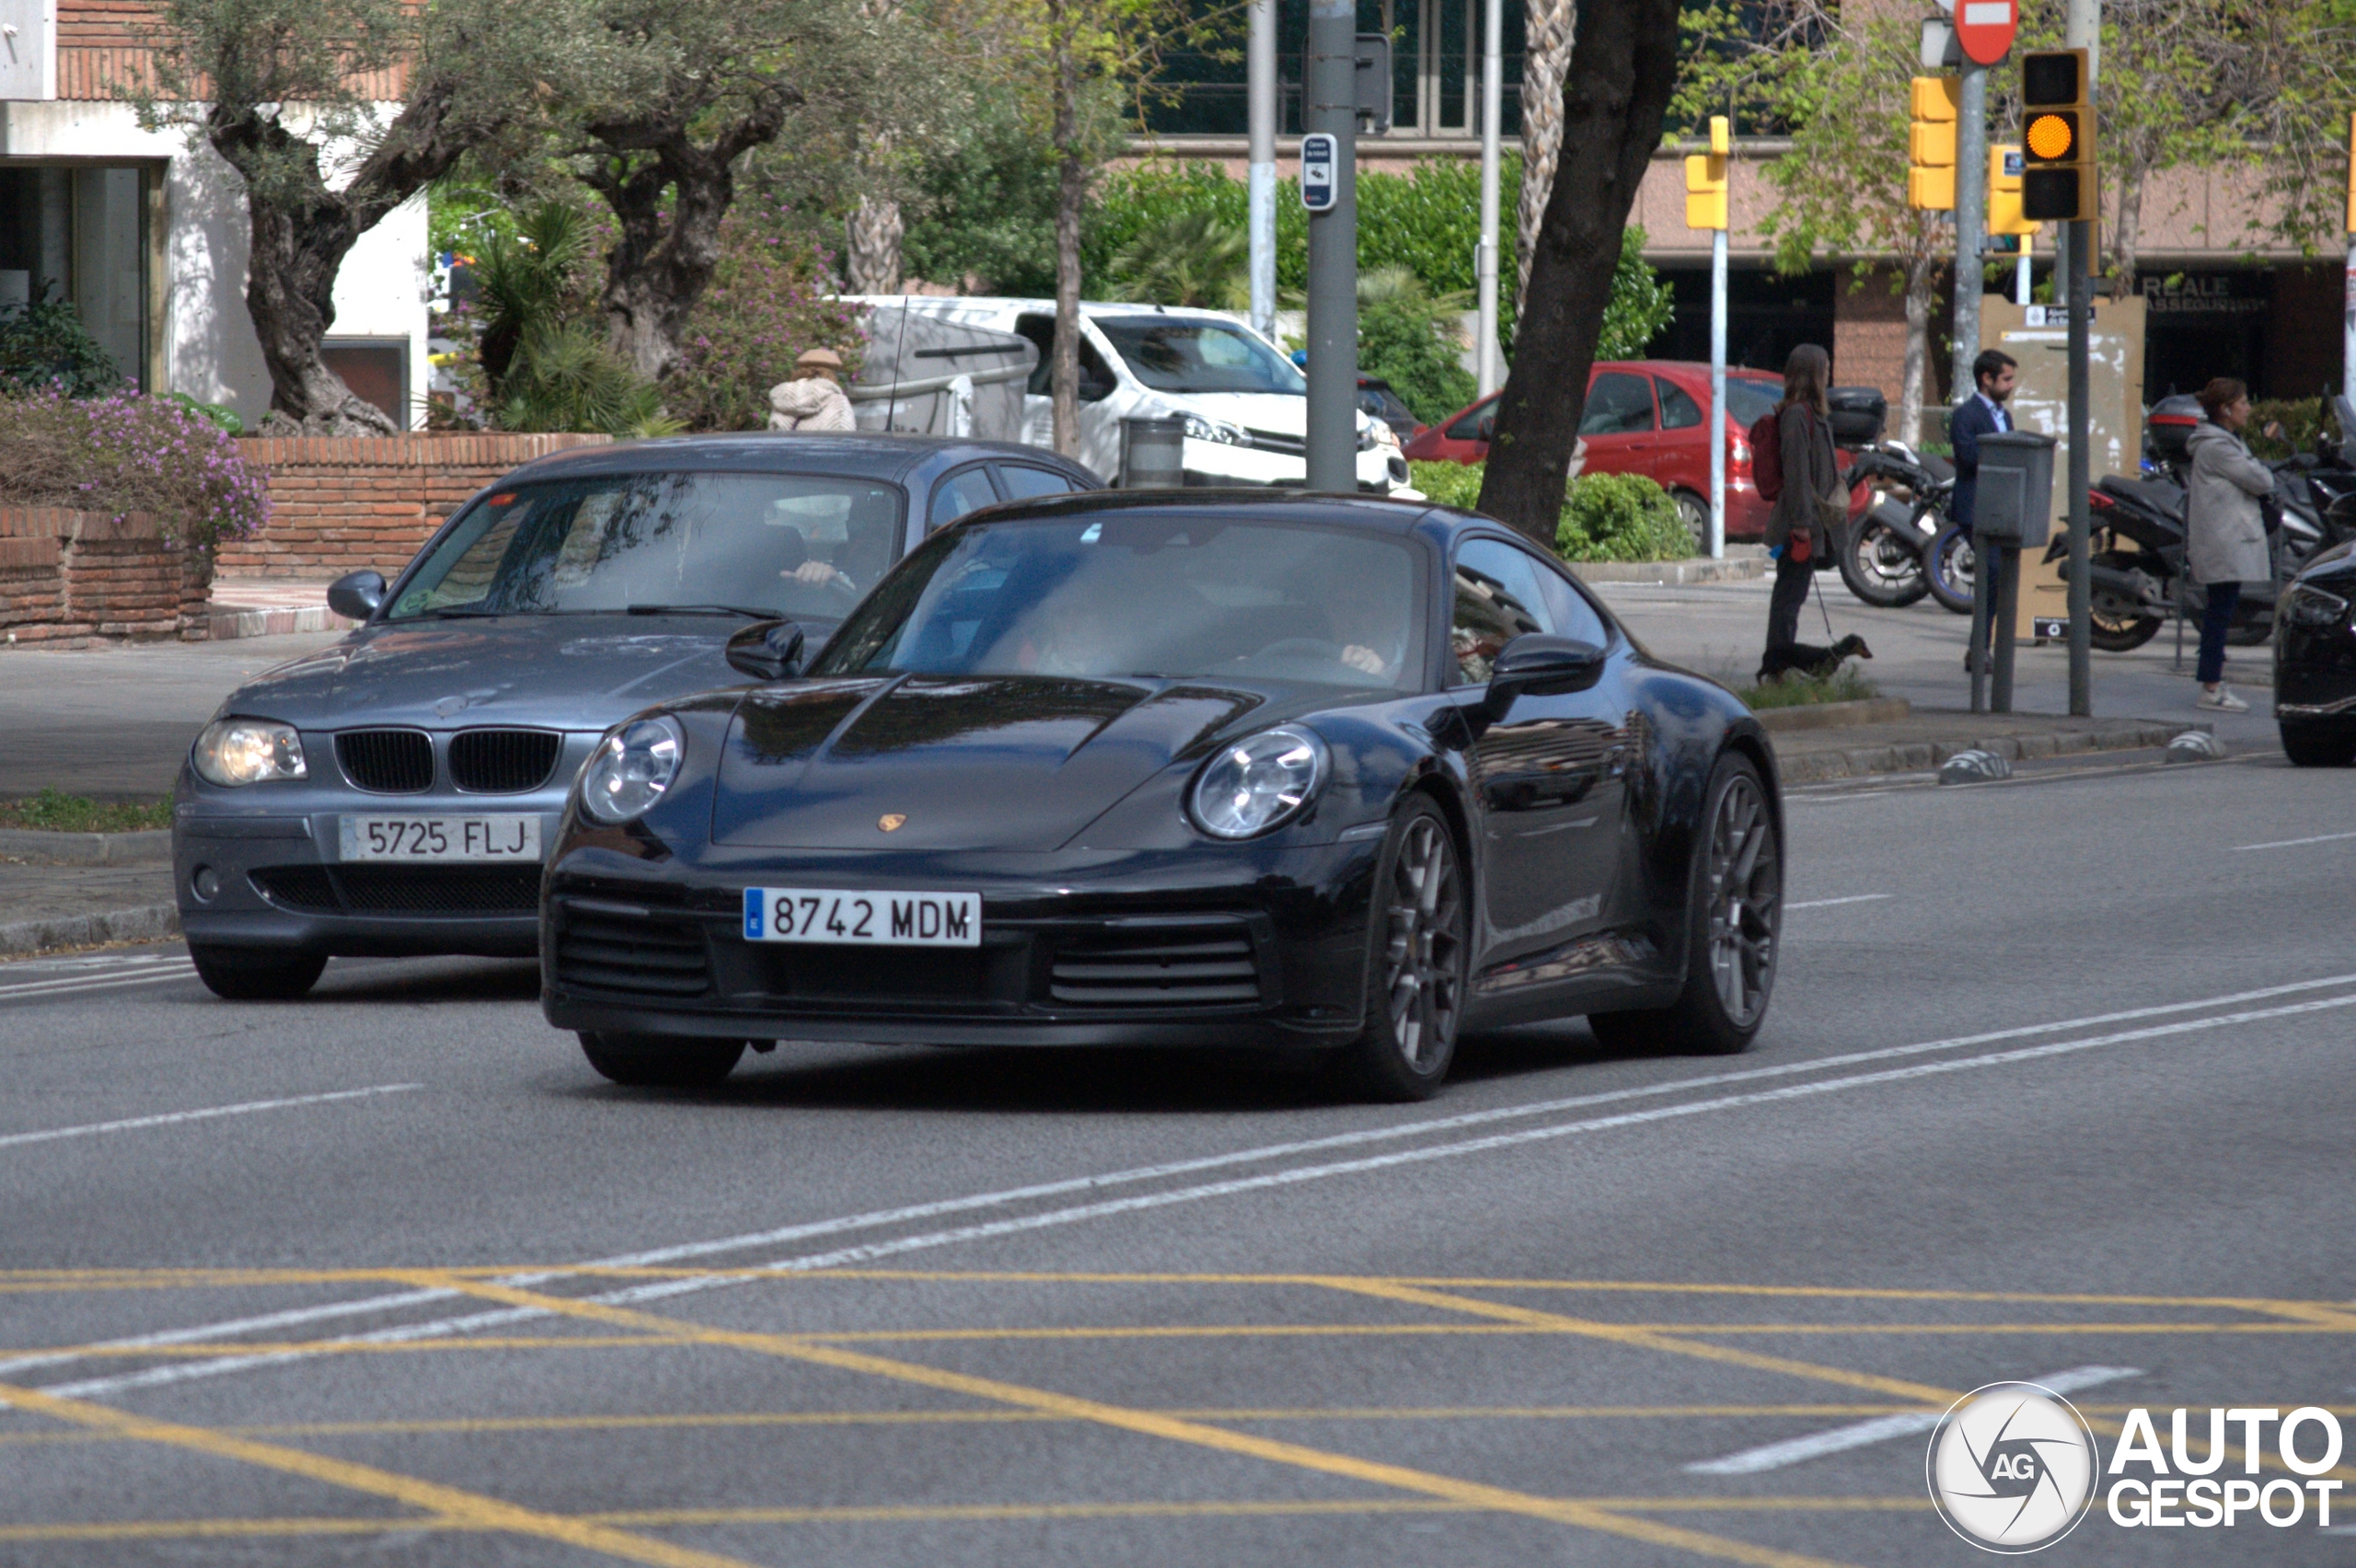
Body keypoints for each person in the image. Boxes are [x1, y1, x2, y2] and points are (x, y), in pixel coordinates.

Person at [2183, 376, 2276, 712]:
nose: (2249, 409)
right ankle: (2211, 686)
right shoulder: (2218, 446)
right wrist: (2261, 472)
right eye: (2244, 403)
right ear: (2225, 409)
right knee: (2219, 614)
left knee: (2220, 613)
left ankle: (2213, 682)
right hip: (2223, 541)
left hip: (2224, 538)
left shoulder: (2225, 440)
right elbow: (2260, 480)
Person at [1763, 344, 1842, 658]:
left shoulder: (1813, 414)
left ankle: (1780, 662)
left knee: (1793, 596)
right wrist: (1801, 526)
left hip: (1809, 521)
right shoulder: (1797, 415)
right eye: (1825, 368)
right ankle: (1777, 664)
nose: (1829, 374)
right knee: (1788, 597)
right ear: (1812, 374)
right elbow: (1796, 473)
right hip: (1799, 524)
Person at [1949, 349, 2016, 672]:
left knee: (1997, 576)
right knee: (1989, 572)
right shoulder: (1967, 414)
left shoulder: (2004, 415)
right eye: (2006, 378)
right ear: (1986, 379)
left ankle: (1981, 647)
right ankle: (1979, 648)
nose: (2011, 385)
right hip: (1975, 507)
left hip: (2001, 506)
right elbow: (1969, 456)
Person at [767, 348, 856, 432]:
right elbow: (847, 438)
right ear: (832, 374)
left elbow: (772, 433)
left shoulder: (783, 398)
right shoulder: (838, 402)